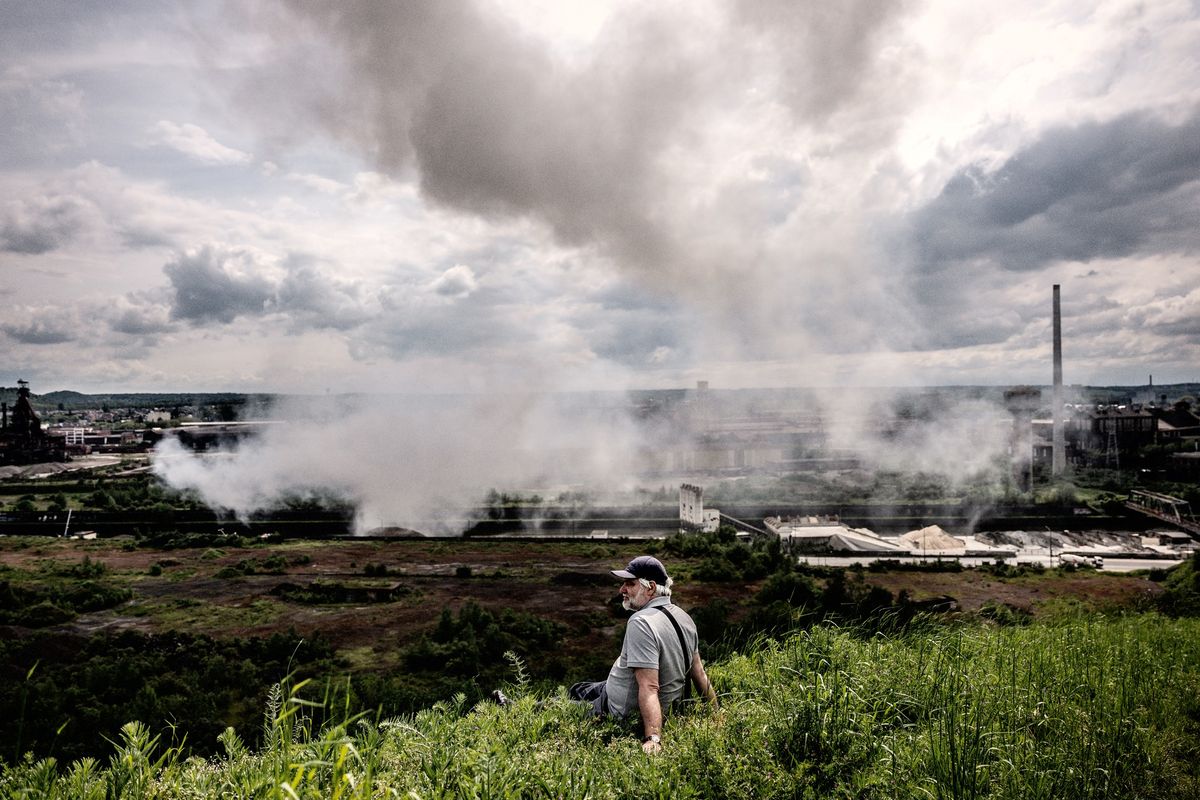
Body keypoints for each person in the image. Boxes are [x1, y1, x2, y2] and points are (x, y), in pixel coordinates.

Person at [568, 555, 718, 754]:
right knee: (577, 688)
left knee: (558, 707)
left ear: (651, 587)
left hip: (616, 710)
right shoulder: (684, 617)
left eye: (630, 584)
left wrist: (653, 738)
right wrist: (717, 714)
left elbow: (649, 686)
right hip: (613, 690)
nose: (622, 590)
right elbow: (699, 674)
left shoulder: (641, 622)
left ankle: (513, 707)